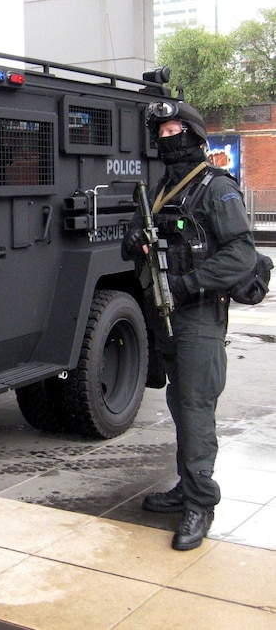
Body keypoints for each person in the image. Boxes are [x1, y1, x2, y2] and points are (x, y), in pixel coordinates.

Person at [123, 99, 257, 551]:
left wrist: (187, 283)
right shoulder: (164, 188)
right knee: (181, 404)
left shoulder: (215, 188)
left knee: (197, 408)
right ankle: (187, 486)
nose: (166, 138)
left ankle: (202, 502)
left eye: (173, 130)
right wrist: (136, 238)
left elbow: (241, 255)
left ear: (196, 135)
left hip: (199, 314)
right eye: (159, 132)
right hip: (169, 313)